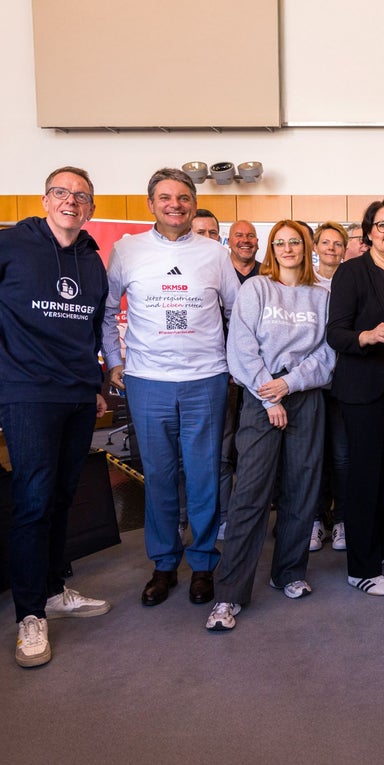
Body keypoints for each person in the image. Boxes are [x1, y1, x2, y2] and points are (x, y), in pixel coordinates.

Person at [102, 168, 238, 608]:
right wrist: (115, 362)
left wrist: (235, 366)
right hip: (148, 381)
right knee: (159, 477)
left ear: (193, 203)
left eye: (183, 197)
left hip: (205, 379)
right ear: (151, 204)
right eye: (165, 197)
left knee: (203, 477)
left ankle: (202, 564)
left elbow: (237, 312)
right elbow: (106, 312)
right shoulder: (126, 250)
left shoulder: (214, 254)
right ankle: (163, 564)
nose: (175, 204)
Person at [0, 166, 111, 668]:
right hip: (27, 393)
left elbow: (90, 331)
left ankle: (50, 590)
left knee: (64, 495)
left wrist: (97, 387)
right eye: (62, 193)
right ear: (46, 199)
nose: (72, 201)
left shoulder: (91, 258)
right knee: (33, 499)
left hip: (77, 394)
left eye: (82, 196)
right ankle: (29, 615)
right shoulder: (13, 244)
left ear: (90, 206)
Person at [206, 221, 335, 630]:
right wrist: (269, 395)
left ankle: (290, 573)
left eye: (295, 242)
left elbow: (328, 352)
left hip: (305, 396)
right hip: (261, 398)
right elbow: (240, 346)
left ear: (306, 246)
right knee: (251, 494)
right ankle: (229, 595)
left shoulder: (322, 296)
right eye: (279, 243)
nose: (287, 248)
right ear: (271, 249)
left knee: (302, 489)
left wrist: (290, 384)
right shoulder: (256, 289)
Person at [327, 199, 384, 596]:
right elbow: (336, 333)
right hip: (363, 389)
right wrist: (367, 335)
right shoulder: (351, 272)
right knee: (365, 477)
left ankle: (381, 548)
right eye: (382, 226)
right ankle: (360, 567)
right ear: (368, 232)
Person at [308, 221, 351, 553]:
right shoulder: (305, 282)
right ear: (316, 246)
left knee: (340, 456)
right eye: (326, 242)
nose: (332, 248)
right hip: (309, 382)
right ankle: (314, 520)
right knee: (312, 457)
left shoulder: (351, 281)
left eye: (338, 243)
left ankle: (341, 522)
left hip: (342, 380)